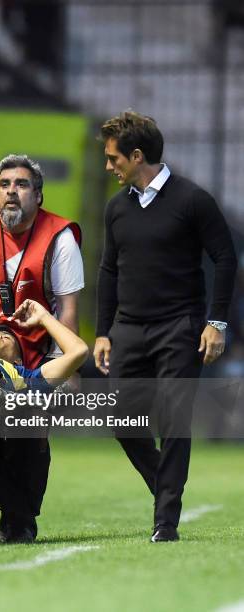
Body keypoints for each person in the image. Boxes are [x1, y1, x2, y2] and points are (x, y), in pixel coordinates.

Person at [93, 111, 237, 542]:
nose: (108, 165)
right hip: (129, 330)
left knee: (173, 420)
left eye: (113, 157)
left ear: (137, 156)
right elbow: (108, 270)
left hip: (180, 327)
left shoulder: (193, 200)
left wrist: (216, 322)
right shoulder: (116, 208)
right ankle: (165, 485)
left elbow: (226, 258)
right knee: (119, 417)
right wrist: (103, 331)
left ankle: (166, 521)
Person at [0, 154, 84, 542]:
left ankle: (19, 522)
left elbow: (69, 312)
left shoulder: (60, 238)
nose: (12, 191)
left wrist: (68, 372)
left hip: (35, 357)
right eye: (5, 184)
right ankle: (18, 513)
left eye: (22, 184)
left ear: (39, 197)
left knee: (28, 434)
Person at [0, 296, 88, 543]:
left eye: (6, 337)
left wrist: (45, 317)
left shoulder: (26, 378)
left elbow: (79, 351)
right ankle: (19, 517)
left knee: (32, 412)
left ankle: (18, 518)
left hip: (18, 429)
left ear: (17, 360)